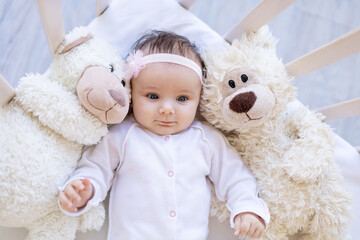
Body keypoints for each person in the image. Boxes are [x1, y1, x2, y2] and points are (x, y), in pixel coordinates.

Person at [58, 30, 270, 240]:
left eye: (182, 98)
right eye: (153, 96)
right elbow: (96, 167)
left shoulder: (206, 140)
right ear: (132, 94)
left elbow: (235, 176)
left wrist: (247, 208)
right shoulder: (122, 136)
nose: (167, 109)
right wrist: (84, 190)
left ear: (199, 99)